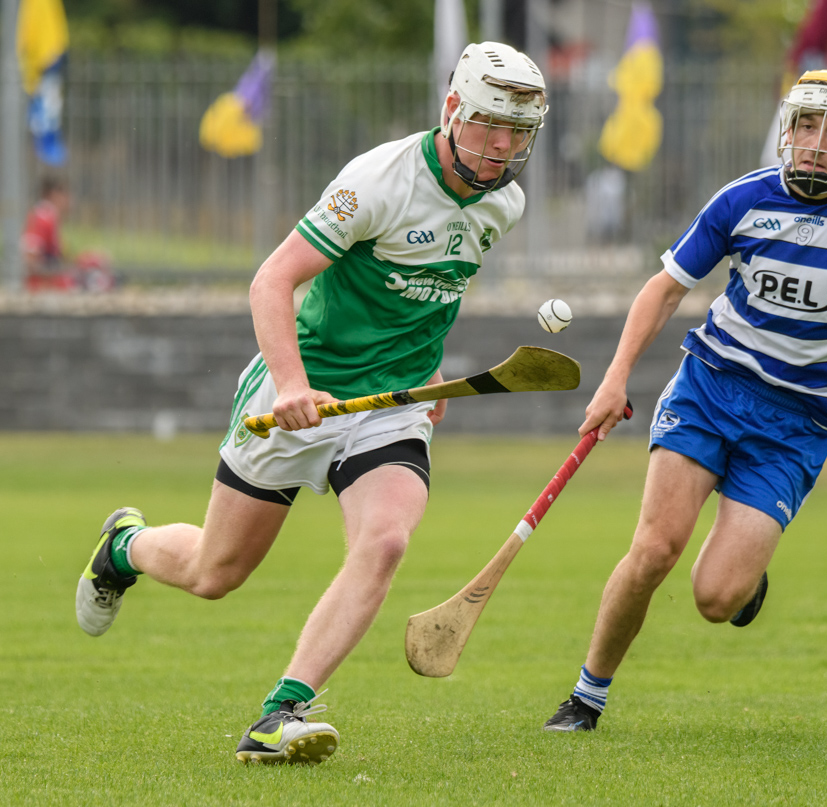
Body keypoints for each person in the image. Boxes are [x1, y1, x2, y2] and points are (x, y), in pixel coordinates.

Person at [75, 41, 548, 764]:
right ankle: (123, 546)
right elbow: (272, 280)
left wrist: (428, 378)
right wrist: (293, 385)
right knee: (215, 572)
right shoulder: (378, 180)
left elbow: (432, 293)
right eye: (488, 126)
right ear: (452, 110)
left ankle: (281, 711)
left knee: (385, 539)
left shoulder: (502, 203)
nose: (501, 147)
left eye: (517, 133)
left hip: (391, 406)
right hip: (303, 384)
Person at [542, 70, 827, 733]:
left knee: (715, 598)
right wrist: (615, 378)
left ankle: (746, 578)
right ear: (787, 130)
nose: (816, 143)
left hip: (794, 424)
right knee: (655, 549)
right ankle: (586, 696)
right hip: (709, 389)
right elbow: (664, 287)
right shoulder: (741, 200)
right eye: (806, 125)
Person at [21, 176, 114, 292]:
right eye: (67, 194)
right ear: (55, 195)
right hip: (44, 283)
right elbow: (30, 257)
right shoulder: (44, 216)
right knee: (98, 275)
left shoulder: (48, 215)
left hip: (49, 279)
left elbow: (55, 257)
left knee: (94, 262)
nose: (71, 199)